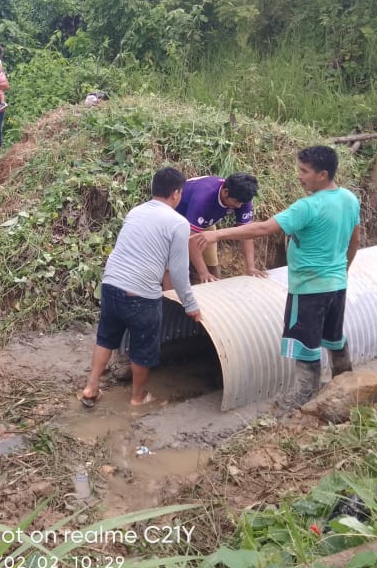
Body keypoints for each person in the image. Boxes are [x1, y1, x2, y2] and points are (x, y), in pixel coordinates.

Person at [195, 146, 361, 409]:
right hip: (337, 285)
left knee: (305, 344)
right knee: (333, 337)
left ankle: (299, 399)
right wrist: (343, 271)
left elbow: (264, 228)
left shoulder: (308, 207)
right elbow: (355, 240)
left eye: (304, 171)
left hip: (308, 288)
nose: (299, 176)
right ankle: (348, 383)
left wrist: (217, 234)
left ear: (322, 174)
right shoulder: (349, 199)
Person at [79, 167, 202, 408]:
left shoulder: (136, 212)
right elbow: (178, 271)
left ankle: (91, 387)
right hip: (141, 296)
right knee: (142, 349)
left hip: (111, 284)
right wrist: (190, 305)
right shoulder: (178, 223)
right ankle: (138, 398)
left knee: (106, 337)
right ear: (176, 194)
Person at [172, 172, 265, 282]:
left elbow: (247, 233)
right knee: (173, 269)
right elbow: (191, 239)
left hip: (205, 224)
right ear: (225, 192)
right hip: (175, 223)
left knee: (213, 268)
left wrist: (251, 267)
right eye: (236, 202)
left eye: (242, 203)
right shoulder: (203, 198)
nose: (239, 206)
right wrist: (203, 273)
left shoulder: (242, 197)